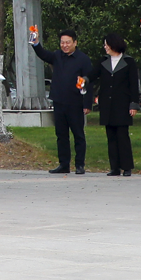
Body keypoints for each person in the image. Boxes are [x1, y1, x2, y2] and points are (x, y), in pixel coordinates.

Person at [32, 29, 93, 174]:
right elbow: (43, 54)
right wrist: (35, 43)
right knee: (61, 135)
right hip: (59, 101)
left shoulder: (83, 59)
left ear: (75, 43)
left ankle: (79, 165)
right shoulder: (57, 56)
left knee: (78, 134)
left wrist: (87, 104)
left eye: (68, 42)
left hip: (76, 102)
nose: (65, 45)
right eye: (62, 43)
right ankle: (64, 164)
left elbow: (89, 81)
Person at [88, 33, 140, 176]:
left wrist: (134, 104)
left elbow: (133, 84)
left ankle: (127, 166)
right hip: (107, 104)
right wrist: (84, 80)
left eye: (107, 44)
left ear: (114, 44)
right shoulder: (103, 61)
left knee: (122, 136)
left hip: (122, 104)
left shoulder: (129, 62)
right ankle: (114, 167)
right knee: (110, 136)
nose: (105, 47)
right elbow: (93, 74)